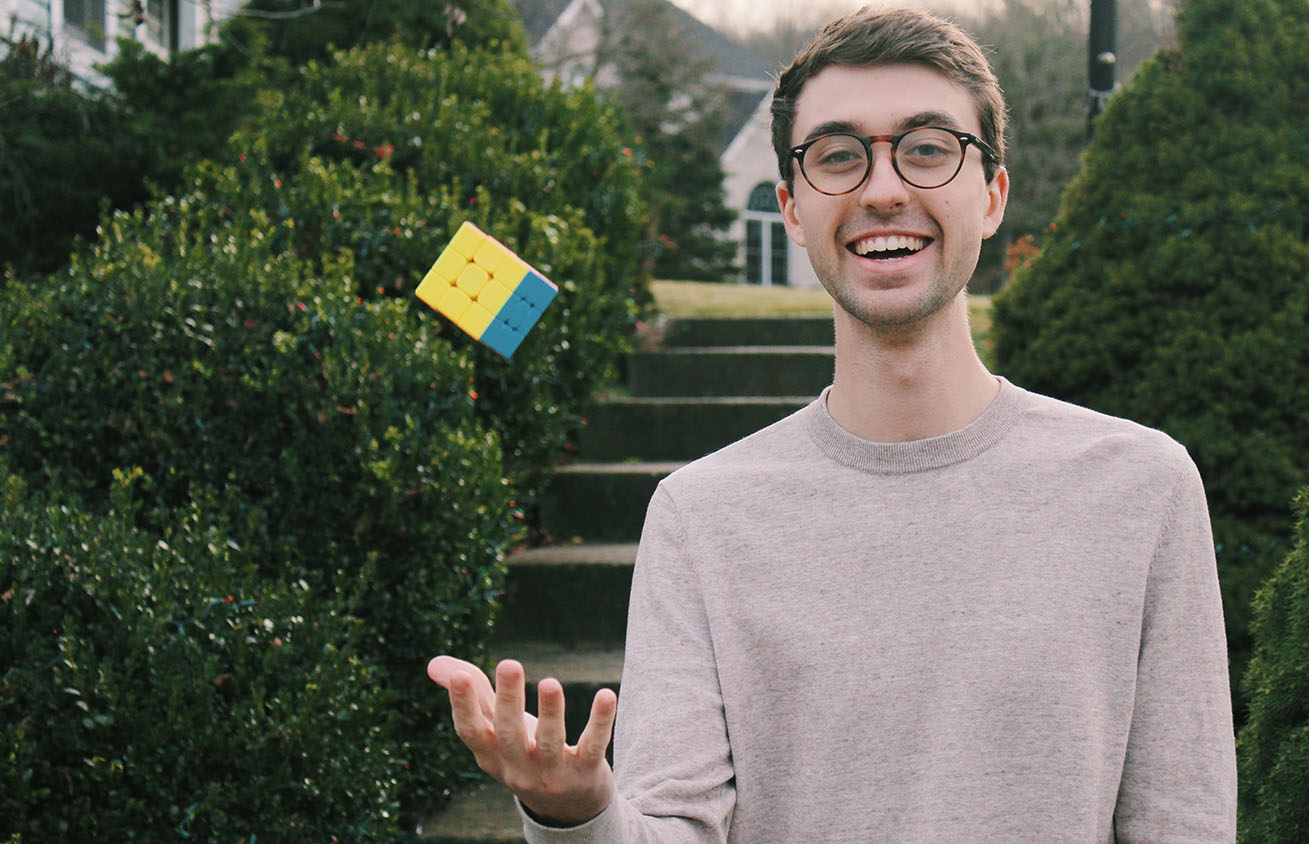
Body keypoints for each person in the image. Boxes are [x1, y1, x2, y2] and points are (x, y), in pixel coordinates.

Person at [428, 6, 1236, 842]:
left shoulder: (1141, 487)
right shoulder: (702, 516)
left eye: (928, 148)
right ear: (791, 207)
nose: (884, 189)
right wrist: (578, 815)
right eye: (839, 157)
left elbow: (1185, 824)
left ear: (992, 196)